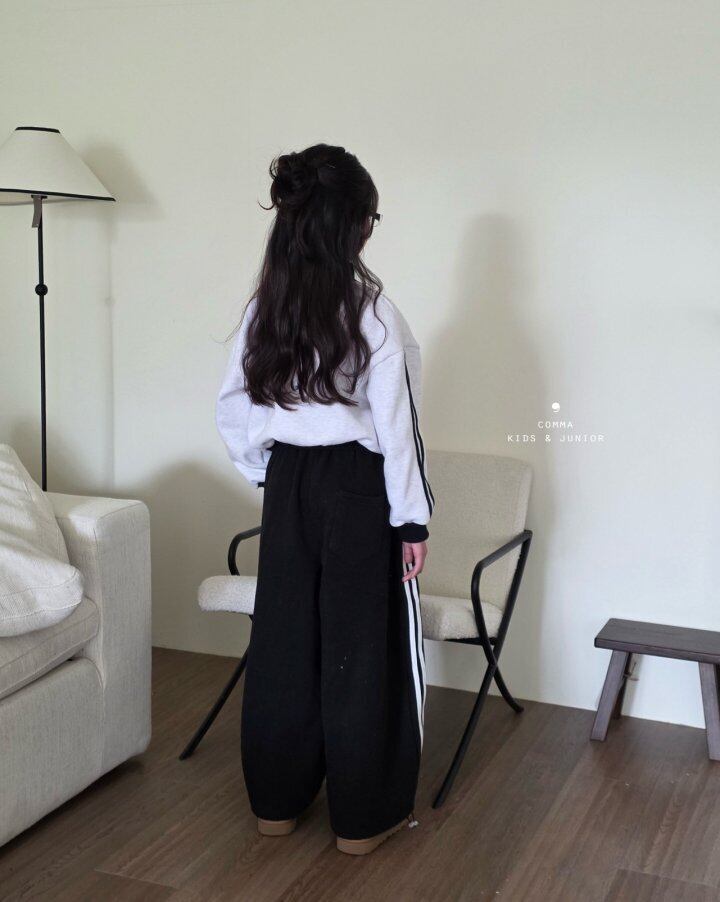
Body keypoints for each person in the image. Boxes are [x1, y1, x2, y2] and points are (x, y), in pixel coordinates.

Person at [216, 143, 433, 856]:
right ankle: (361, 820)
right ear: (355, 226)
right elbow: (397, 427)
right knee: (362, 648)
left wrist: (267, 474)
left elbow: (234, 408)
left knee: (283, 641)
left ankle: (275, 806)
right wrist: (412, 520)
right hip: (358, 488)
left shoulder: (264, 308)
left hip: (287, 484)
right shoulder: (375, 314)